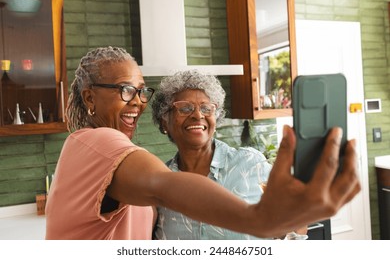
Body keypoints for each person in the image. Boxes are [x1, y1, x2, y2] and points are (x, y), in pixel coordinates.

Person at [45, 46, 360, 240]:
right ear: (165, 121)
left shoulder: (249, 162)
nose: (138, 102)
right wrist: (259, 220)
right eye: (127, 90)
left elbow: (289, 231)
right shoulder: (98, 142)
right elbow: (162, 184)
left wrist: (288, 224)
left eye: (142, 91)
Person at [151, 70, 304, 240]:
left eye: (206, 108)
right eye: (185, 108)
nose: (197, 115)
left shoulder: (251, 164)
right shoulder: (160, 183)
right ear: (165, 119)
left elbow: (295, 222)